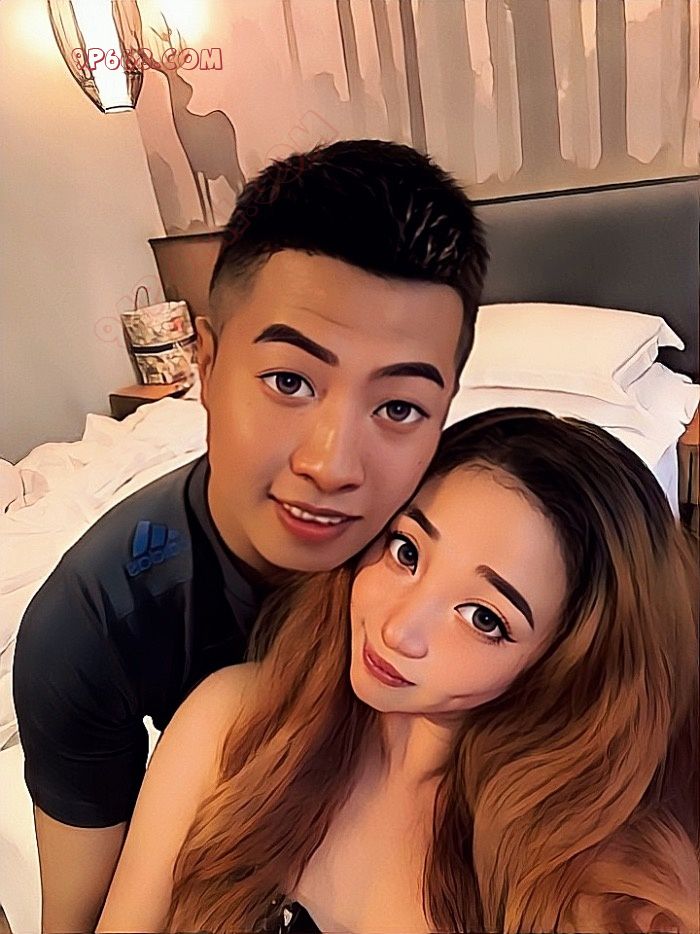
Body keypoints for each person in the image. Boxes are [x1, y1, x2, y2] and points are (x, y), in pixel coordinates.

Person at [12, 139, 488, 933]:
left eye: (399, 407)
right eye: (289, 381)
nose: (332, 466)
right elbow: (81, 920)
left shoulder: (475, 559)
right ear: (205, 364)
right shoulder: (93, 624)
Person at [97, 409, 699, 934]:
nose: (397, 630)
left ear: (566, 664)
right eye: (406, 551)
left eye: (484, 618)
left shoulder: (588, 884)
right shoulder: (234, 725)